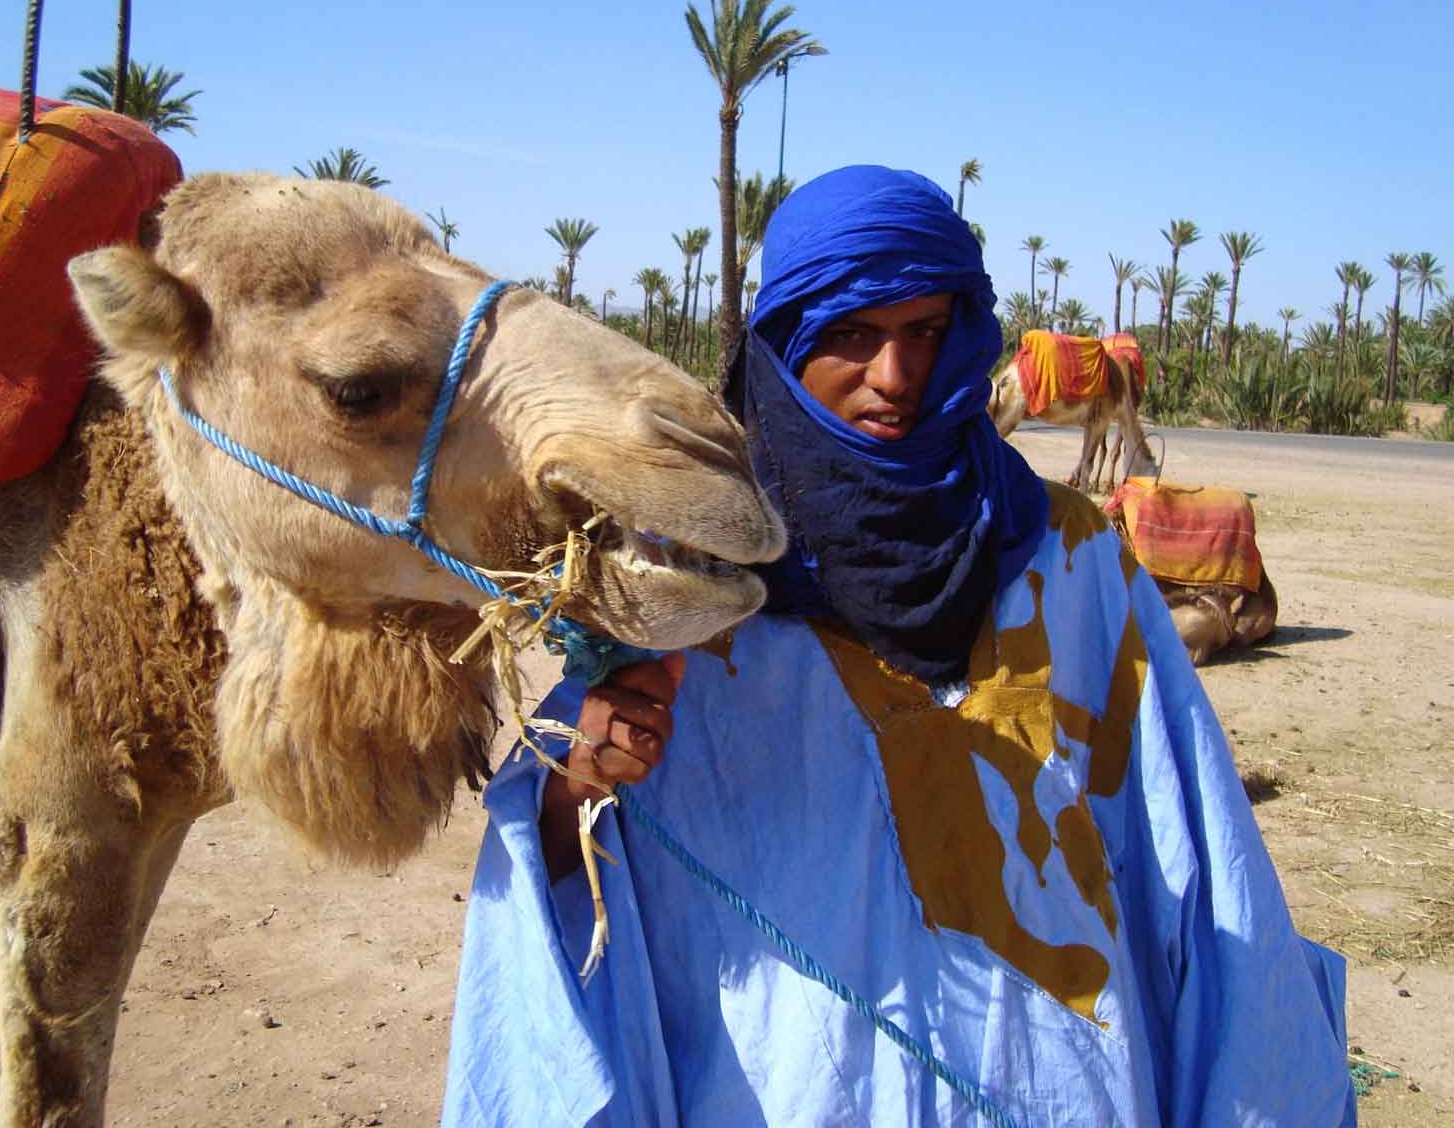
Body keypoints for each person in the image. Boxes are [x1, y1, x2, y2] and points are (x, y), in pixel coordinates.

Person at [442, 166, 1355, 1126]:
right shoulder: (685, 576)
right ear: (784, 345)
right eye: (851, 334)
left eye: (925, 332)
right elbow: (558, 865)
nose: (895, 376)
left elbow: (1193, 850)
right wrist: (576, 779)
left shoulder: (1071, 554)